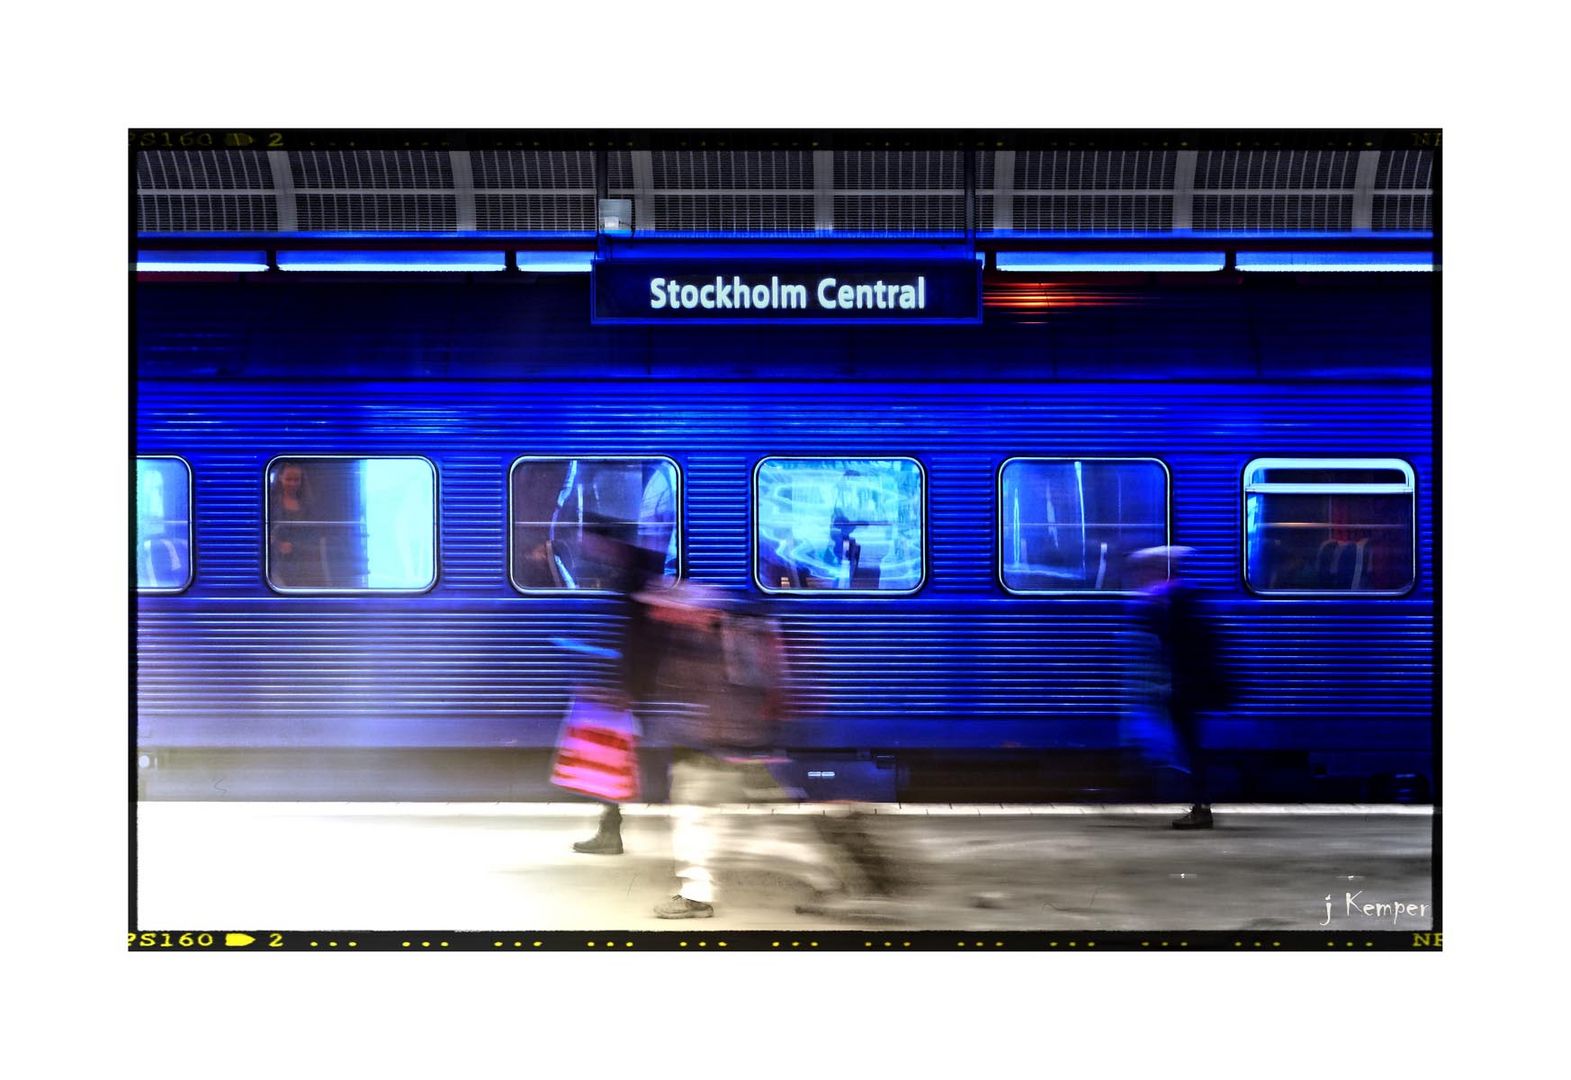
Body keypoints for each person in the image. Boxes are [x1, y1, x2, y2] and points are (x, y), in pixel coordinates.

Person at [569, 517, 667, 855]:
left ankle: (610, 833)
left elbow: (641, 640)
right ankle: (609, 830)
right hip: (636, 685)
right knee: (613, 754)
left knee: (613, 754)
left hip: (637, 688)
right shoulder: (635, 573)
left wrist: (628, 689)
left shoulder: (634, 578)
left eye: (589, 543)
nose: (586, 550)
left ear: (606, 542)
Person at [1126, 546, 1235, 830]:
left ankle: (1201, 808)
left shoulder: (1178, 600)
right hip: (1187, 686)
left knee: (1190, 748)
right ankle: (1197, 802)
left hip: (1187, 687)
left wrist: (1150, 604)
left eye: (1149, 572)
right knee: (1188, 746)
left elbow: (1176, 639)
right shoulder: (1184, 597)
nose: (1144, 578)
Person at [269, 462, 329, 588]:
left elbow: (315, 534)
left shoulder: (309, 505)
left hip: (303, 562)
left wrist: (295, 546)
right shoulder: (270, 502)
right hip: (276, 562)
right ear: (280, 478)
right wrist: (277, 544)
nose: (292, 483)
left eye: (296, 480)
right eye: (288, 479)